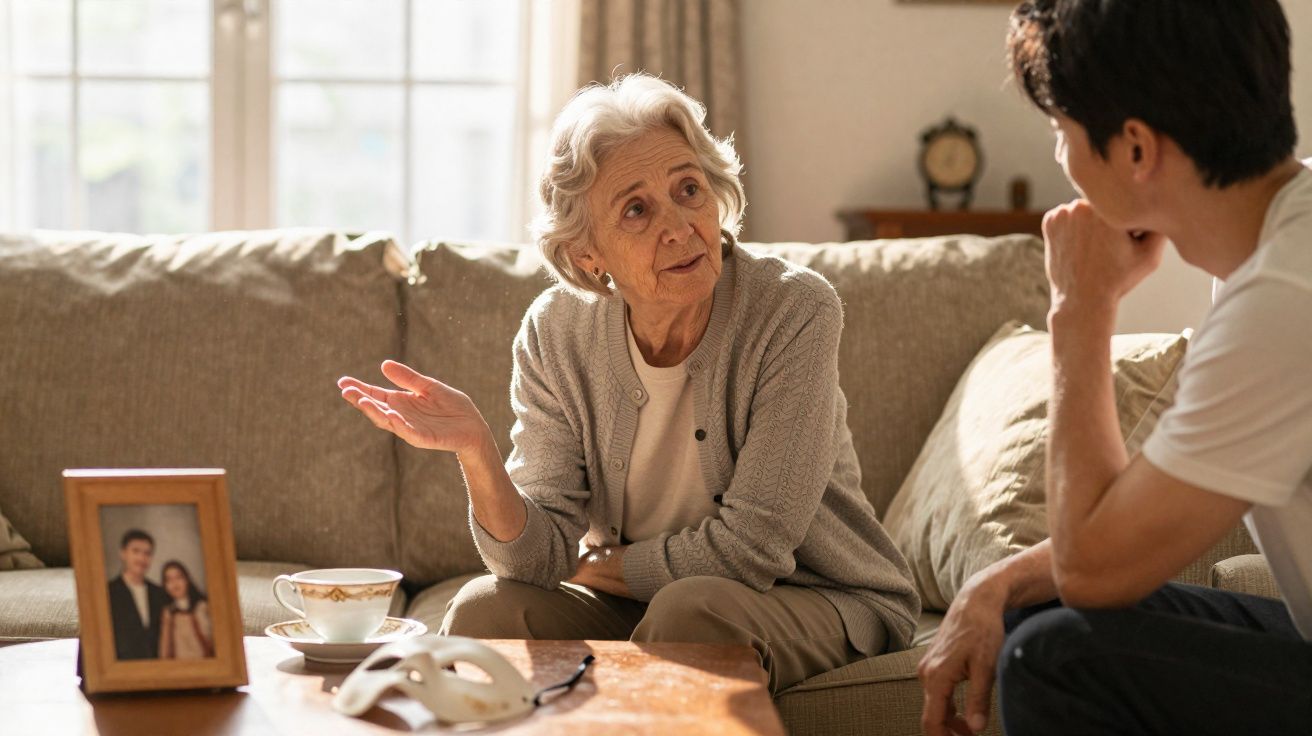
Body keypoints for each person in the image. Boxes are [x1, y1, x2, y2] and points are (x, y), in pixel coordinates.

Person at [339, 73, 919, 693]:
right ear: (589, 254)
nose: (680, 226)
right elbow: (534, 560)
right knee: (487, 610)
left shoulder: (794, 309)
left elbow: (754, 547)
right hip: (649, 602)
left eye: (689, 189)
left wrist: (597, 565)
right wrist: (477, 453)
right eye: (637, 209)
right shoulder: (555, 332)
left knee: (690, 614)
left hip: (808, 594)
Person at [917, 1, 1312, 734]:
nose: (1061, 159)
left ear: (1135, 148)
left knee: (1058, 656)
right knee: (1037, 606)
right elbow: (1128, 512)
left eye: (1061, 132)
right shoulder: (1276, 248)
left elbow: (1096, 568)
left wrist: (1080, 308)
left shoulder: (1285, 299)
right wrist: (995, 582)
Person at [106, 529, 170, 660]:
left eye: (147, 553)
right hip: (121, 672)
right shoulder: (108, 592)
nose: (142, 558)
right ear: (123, 553)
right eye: (135, 551)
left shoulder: (160, 593)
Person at [158, 560, 214, 659]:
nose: (174, 583)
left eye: (178, 577)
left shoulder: (203, 607)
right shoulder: (168, 614)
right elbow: (164, 652)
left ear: (187, 579)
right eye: (169, 580)